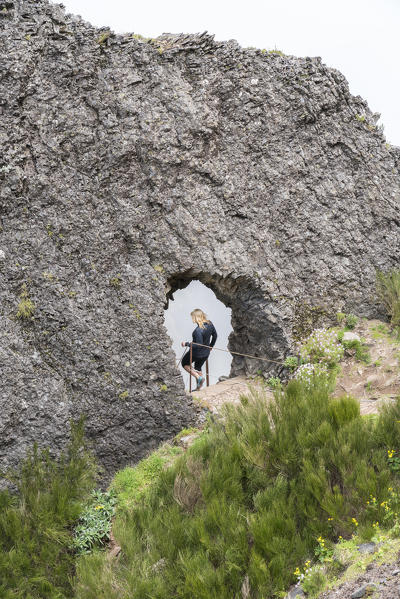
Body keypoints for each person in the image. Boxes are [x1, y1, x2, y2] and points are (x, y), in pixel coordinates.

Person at [181, 309, 217, 390]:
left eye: (192, 317)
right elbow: (215, 336)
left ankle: (198, 377)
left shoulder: (197, 331)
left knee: (185, 363)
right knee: (198, 367)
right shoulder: (210, 324)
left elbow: (198, 345)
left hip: (196, 353)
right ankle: (198, 388)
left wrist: (186, 344)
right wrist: (211, 346)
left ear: (196, 318)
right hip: (206, 353)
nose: (192, 319)